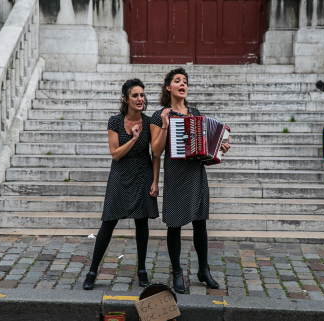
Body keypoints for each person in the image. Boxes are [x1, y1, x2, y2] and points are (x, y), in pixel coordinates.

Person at [150, 67, 231, 294]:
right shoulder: (160, 115)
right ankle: (177, 272)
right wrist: (166, 125)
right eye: (177, 80)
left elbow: (204, 153)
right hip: (175, 175)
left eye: (185, 81)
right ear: (169, 87)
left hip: (196, 174)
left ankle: (203, 270)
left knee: (200, 224)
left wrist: (219, 150)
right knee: (174, 224)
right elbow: (156, 151)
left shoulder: (195, 113)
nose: (182, 84)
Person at [83, 79, 160, 290]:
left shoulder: (150, 121)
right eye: (135, 96)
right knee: (108, 222)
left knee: (142, 223)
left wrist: (155, 180)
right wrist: (134, 139)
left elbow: (155, 154)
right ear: (125, 99)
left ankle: (142, 269)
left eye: (142, 95)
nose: (140, 99)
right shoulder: (115, 122)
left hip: (143, 173)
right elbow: (116, 154)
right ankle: (92, 270)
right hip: (120, 173)